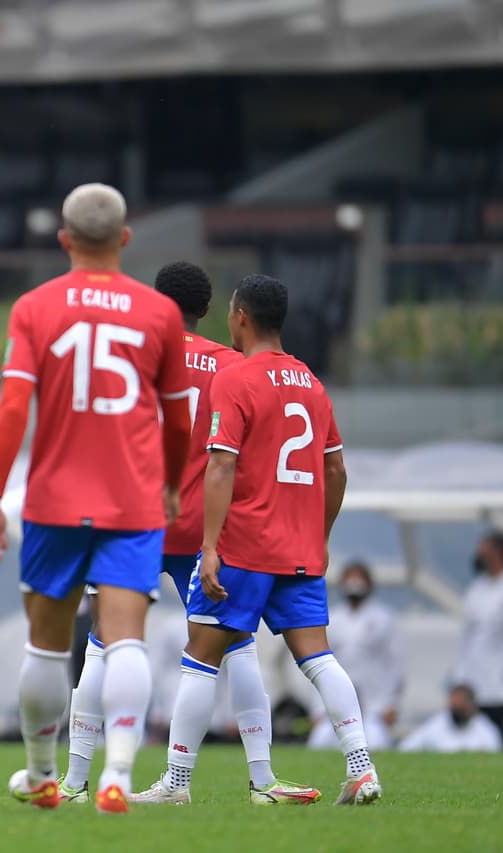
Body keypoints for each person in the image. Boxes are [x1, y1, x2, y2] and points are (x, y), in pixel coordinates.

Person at [61, 261, 314, 805]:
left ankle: (75, 781)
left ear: (156, 300)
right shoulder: (230, 362)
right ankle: (262, 778)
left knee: (103, 646)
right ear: (209, 310)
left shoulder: (131, 353)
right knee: (237, 648)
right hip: (204, 528)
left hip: (134, 522)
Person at [0, 183, 191, 814]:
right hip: (132, 500)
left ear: (64, 239)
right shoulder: (160, 314)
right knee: (126, 637)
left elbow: (15, 404)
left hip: (52, 499)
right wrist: (174, 484)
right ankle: (118, 778)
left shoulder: (36, 307)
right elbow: (180, 421)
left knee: (46, 643)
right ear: (125, 239)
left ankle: (44, 774)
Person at [144, 274, 382, 807]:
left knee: (201, 657)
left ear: (241, 315)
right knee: (319, 657)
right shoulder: (311, 383)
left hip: (245, 545)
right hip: (298, 551)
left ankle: (176, 784)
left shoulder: (236, 379)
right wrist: (319, 537)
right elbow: (336, 468)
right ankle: (362, 766)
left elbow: (221, 464)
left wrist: (209, 546)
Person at [451, 530, 503, 748]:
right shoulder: (474, 591)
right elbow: (466, 642)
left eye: (483, 550)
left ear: (499, 552)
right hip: (479, 694)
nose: (478, 555)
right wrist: (460, 682)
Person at [307, 560, 403, 751]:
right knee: (319, 743)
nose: (354, 584)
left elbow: (396, 664)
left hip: (375, 706)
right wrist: (317, 708)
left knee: (376, 743)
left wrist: (392, 704)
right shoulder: (331, 618)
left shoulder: (384, 618)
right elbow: (317, 664)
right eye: (350, 579)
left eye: (359, 579)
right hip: (334, 706)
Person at [398, 684, 503, 753]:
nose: (456, 710)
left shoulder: (486, 729)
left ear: (471, 705)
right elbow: (407, 747)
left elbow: (496, 754)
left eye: (460, 707)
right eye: (454, 706)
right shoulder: (436, 724)